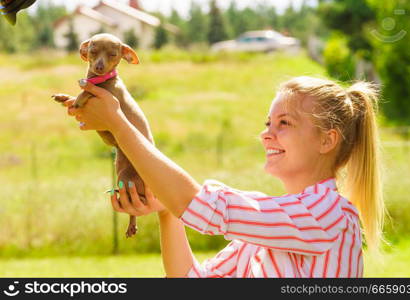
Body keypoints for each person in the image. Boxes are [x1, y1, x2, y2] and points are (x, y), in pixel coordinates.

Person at [61, 76, 384, 278]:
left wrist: (119, 124)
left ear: (327, 140)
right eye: (267, 123)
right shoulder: (267, 228)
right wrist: (166, 212)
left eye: (284, 123)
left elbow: (202, 206)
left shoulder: (328, 214)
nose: (266, 135)